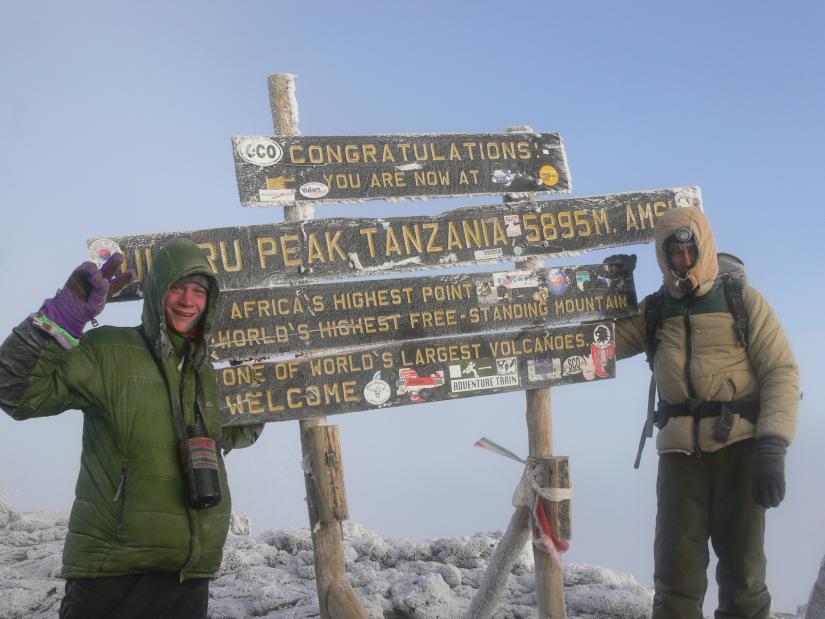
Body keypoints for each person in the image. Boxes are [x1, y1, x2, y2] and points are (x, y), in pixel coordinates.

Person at [0, 238, 263, 618]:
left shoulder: (205, 371)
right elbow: (14, 393)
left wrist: (268, 386)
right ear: (157, 290)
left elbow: (235, 434)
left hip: (188, 578)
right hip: (110, 578)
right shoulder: (109, 351)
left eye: (199, 291)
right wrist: (61, 318)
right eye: (177, 287)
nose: (188, 301)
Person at [605, 207, 799, 619]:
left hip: (740, 449)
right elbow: (606, 347)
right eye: (675, 254)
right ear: (664, 256)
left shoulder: (741, 300)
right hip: (679, 456)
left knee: (743, 580)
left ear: (704, 248)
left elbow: (781, 371)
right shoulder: (656, 310)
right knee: (675, 579)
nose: (684, 261)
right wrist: (614, 289)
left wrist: (772, 449)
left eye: (691, 251)